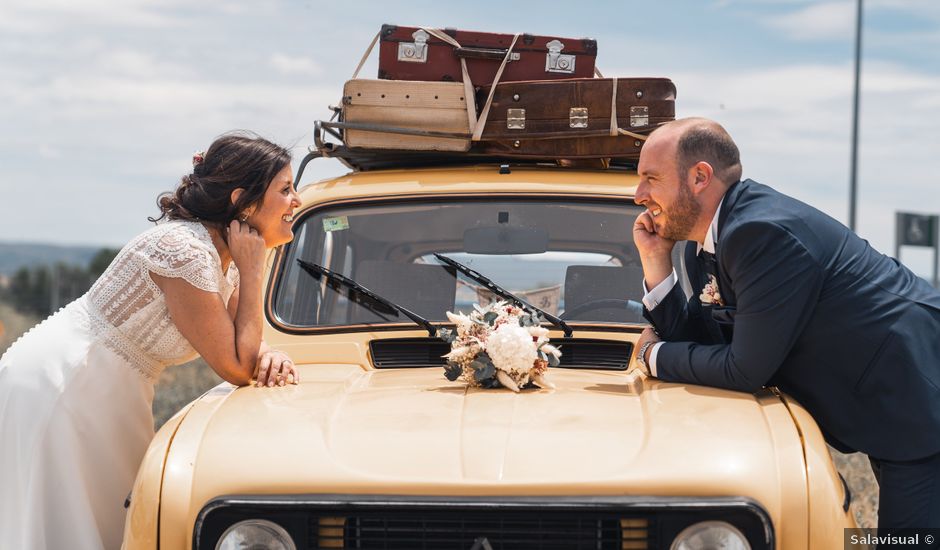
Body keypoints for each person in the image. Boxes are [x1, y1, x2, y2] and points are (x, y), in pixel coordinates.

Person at [632, 117, 940, 528]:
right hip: (886, 407)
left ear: (700, 177)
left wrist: (653, 356)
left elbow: (744, 368)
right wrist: (655, 262)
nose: (638, 195)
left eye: (650, 178)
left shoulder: (761, 232)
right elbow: (700, 339)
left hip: (919, 396)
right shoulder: (705, 245)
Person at [0, 132, 303, 549]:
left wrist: (270, 355)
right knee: (68, 524)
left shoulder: (220, 257)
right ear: (243, 202)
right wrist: (255, 271)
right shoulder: (184, 251)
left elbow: (243, 347)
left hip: (114, 387)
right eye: (286, 189)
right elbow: (235, 367)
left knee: (114, 520)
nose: (296, 201)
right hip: (68, 381)